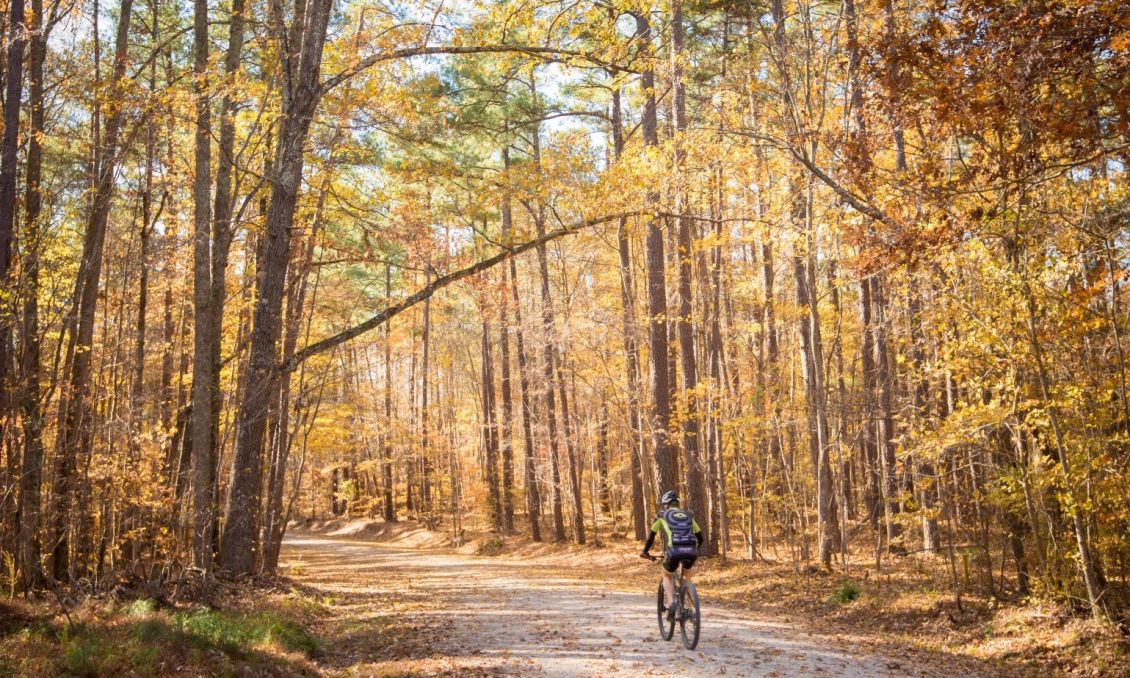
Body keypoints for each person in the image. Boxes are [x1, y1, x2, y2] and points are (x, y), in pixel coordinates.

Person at [640, 490, 703, 620]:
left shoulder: (662, 515)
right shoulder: (688, 514)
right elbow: (700, 537)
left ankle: (672, 602)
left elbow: (651, 536)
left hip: (674, 550)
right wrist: (693, 549)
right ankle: (694, 608)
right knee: (687, 576)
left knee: (667, 575)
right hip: (691, 550)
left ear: (666, 504)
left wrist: (645, 552)